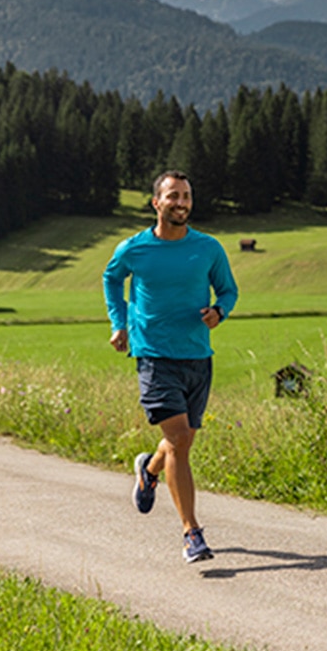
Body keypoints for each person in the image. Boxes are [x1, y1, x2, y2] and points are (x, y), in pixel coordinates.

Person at [103, 170, 238, 563]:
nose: (182, 203)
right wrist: (119, 322)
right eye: (174, 196)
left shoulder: (208, 248)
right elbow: (112, 278)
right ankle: (191, 533)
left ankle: (149, 468)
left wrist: (220, 311)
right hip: (154, 355)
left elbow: (228, 289)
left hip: (197, 354)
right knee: (180, 440)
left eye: (187, 196)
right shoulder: (134, 249)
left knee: (182, 442)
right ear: (156, 203)